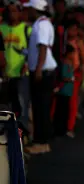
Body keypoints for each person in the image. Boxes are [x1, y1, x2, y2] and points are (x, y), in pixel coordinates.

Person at [24, 0, 57, 154]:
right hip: (43, 70)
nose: (27, 12)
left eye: (29, 8)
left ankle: (41, 142)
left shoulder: (41, 25)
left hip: (43, 72)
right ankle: (41, 139)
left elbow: (43, 47)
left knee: (41, 107)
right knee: (40, 107)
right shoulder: (41, 23)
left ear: (35, 9)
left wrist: (38, 69)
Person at [0, 2, 32, 125]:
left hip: (21, 74)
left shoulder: (27, 29)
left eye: (14, 11)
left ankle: (22, 133)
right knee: (6, 108)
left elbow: (33, 52)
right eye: (9, 11)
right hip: (5, 74)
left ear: (20, 13)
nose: (12, 14)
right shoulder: (1, 29)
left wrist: (26, 65)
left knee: (22, 105)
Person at [52, 45, 75, 136]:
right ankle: (59, 130)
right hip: (63, 91)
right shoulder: (64, 64)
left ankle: (63, 129)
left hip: (68, 92)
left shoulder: (69, 63)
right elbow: (63, 77)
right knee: (60, 111)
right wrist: (71, 80)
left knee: (65, 111)